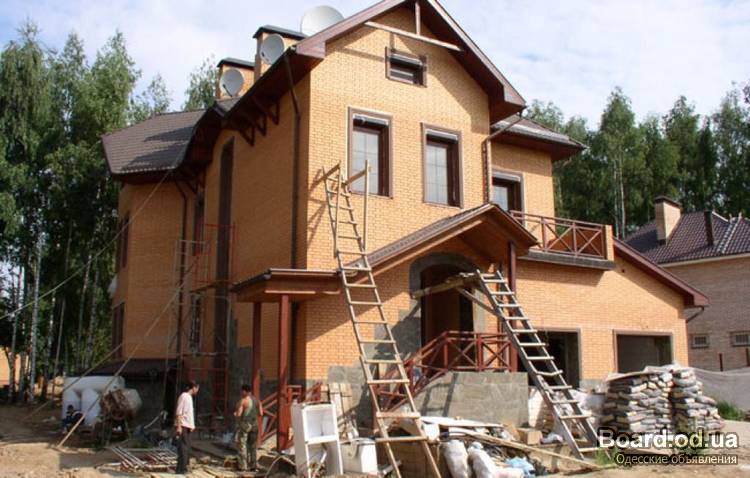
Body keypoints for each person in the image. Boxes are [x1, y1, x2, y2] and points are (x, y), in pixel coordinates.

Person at [234, 384, 261, 472]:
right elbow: (261, 413)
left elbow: (238, 414)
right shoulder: (257, 401)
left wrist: (235, 414)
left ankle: (243, 466)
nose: (241, 393)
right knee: (253, 446)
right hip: (255, 425)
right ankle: (253, 466)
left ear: (244, 391)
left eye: (242, 391)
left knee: (242, 445)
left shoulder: (243, 401)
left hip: (245, 425)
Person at [174, 380, 199, 474]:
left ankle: (182, 468)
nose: (197, 391)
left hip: (187, 426)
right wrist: (179, 426)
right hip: (183, 425)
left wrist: (192, 425)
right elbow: (179, 412)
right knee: (183, 448)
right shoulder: (184, 396)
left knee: (186, 448)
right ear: (194, 387)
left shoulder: (189, 397)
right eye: (197, 388)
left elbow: (188, 414)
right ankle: (182, 469)